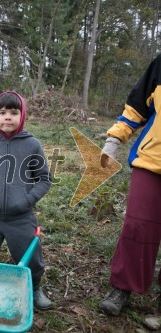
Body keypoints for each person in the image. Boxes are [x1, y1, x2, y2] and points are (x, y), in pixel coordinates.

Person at [0, 91, 53, 310]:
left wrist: (28, 199)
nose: (7, 117)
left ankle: (33, 287)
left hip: (21, 217)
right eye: (2, 112)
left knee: (31, 258)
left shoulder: (32, 145)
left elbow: (44, 179)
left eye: (14, 113)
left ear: (22, 116)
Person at [99, 55, 161, 316]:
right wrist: (114, 139)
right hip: (152, 160)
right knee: (138, 224)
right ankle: (123, 286)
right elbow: (136, 107)